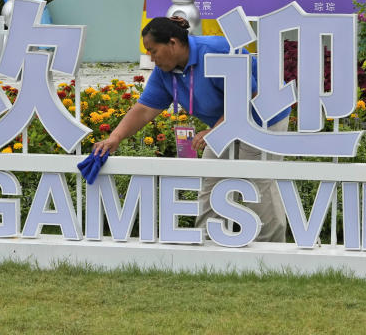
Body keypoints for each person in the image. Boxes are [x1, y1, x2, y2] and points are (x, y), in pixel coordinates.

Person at [92, 16, 289, 243]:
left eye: (153, 50)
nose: (150, 57)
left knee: (256, 179)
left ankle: (273, 248)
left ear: (173, 43)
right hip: (224, 123)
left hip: (263, 117)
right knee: (212, 177)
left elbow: (249, 96)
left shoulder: (215, 50)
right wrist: (114, 137)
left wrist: (215, 132)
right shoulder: (164, 72)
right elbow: (144, 109)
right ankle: (207, 243)